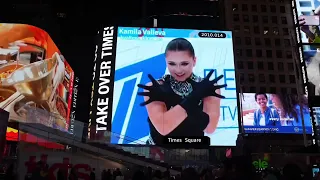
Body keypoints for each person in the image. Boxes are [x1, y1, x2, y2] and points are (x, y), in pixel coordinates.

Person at [137, 38, 226, 145]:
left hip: (194, 152)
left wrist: (178, 102)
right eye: (172, 64)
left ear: (194, 61)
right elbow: (164, 128)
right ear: (166, 62)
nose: (178, 70)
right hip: (155, 153)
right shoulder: (155, 87)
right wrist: (195, 97)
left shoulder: (208, 87)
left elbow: (209, 128)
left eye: (184, 64)